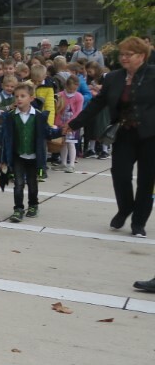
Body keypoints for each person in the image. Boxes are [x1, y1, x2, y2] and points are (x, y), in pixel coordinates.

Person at [68, 36, 155, 238]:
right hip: (124, 134)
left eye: (128, 54)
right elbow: (97, 104)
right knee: (120, 174)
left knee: (146, 180)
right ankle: (125, 208)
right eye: (122, 54)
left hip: (150, 136)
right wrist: (74, 124)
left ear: (141, 56)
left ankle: (139, 222)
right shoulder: (114, 77)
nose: (124, 58)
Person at [0, 82, 61, 222]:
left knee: (32, 184)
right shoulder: (10, 116)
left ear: (31, 98)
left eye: (23, 96)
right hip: (18, 155)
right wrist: (3, 159)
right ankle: (18, 209)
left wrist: (62, 131)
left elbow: (48, 133)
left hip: (33, 156)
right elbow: (5, 138)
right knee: (18, 183)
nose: (19, 99)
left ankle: (33, 205)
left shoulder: (38, 116)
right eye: (16, 96)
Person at [56, 74, 84, 173]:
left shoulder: (79, 96)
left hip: (72, 123)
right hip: (61, 122)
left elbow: (78, 112)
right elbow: (58, 110)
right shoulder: (60, 95)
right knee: (62, 143)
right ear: (66, 86)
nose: (72, 91)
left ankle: (71, 164)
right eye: (70, 89)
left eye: (74, 89)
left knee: (71, 143)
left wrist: (70, 123)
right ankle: (63, 163)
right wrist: (58, 122)